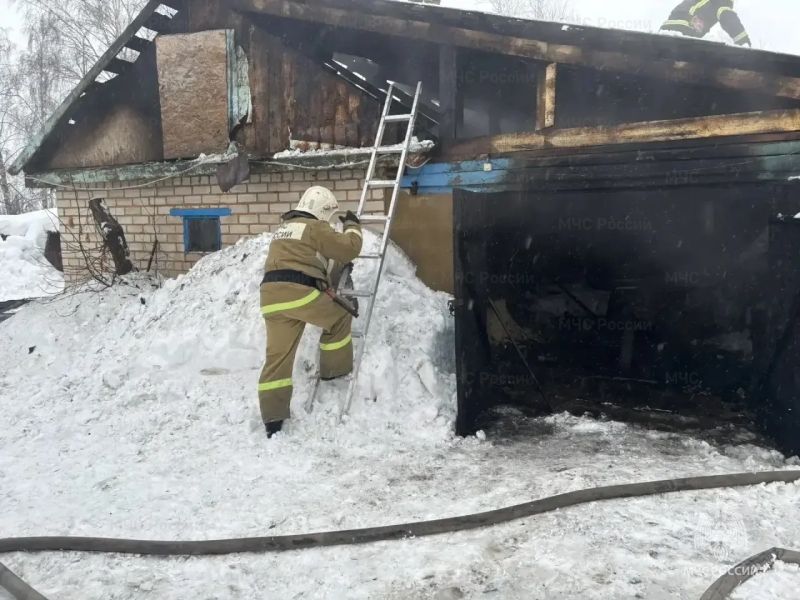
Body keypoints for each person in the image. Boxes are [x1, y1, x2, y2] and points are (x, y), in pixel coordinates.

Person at [258, 186, 363, 438]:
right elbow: (349, 248)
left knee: (277, 358)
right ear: (323, 210)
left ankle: (273, 420)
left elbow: (310, 258)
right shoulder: (315, 227)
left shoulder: (282, 229)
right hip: (301, 293)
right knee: (340, 316)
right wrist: (352, 225)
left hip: (271, 298)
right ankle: (334, 371)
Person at [661, 0, 751, 47]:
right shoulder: (722, 1)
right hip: (685, 27)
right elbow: (728, 18)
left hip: (667, 28)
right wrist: (744, 43)